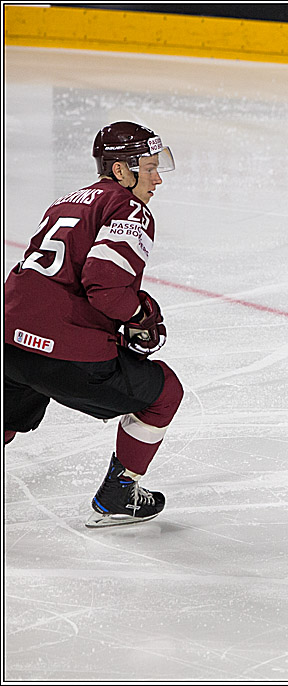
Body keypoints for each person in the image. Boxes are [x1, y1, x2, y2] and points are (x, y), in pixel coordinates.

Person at [4, 121, 184, 528]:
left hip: (8, 342)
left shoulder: (66, 201)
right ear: (121, 170)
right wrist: (140, 316)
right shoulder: (128, 207)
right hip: (64, 351)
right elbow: (105, 286)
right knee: (164, 392)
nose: (157, 178)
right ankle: (118, 493)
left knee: (7, 413)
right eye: (150, 167)